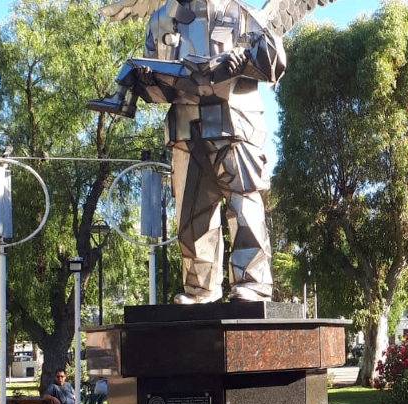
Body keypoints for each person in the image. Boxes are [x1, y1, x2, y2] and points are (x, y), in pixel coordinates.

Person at [88, 0, 286, 304]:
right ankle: (200, 289)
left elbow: (275, 61)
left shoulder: (239, 13)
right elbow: (158, 80)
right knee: (191, 215)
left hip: (235, 125)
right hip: (186, 129)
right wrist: (147, 78)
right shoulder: (160, 19)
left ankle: (253, 282)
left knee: (245, 203)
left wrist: (242, 58)